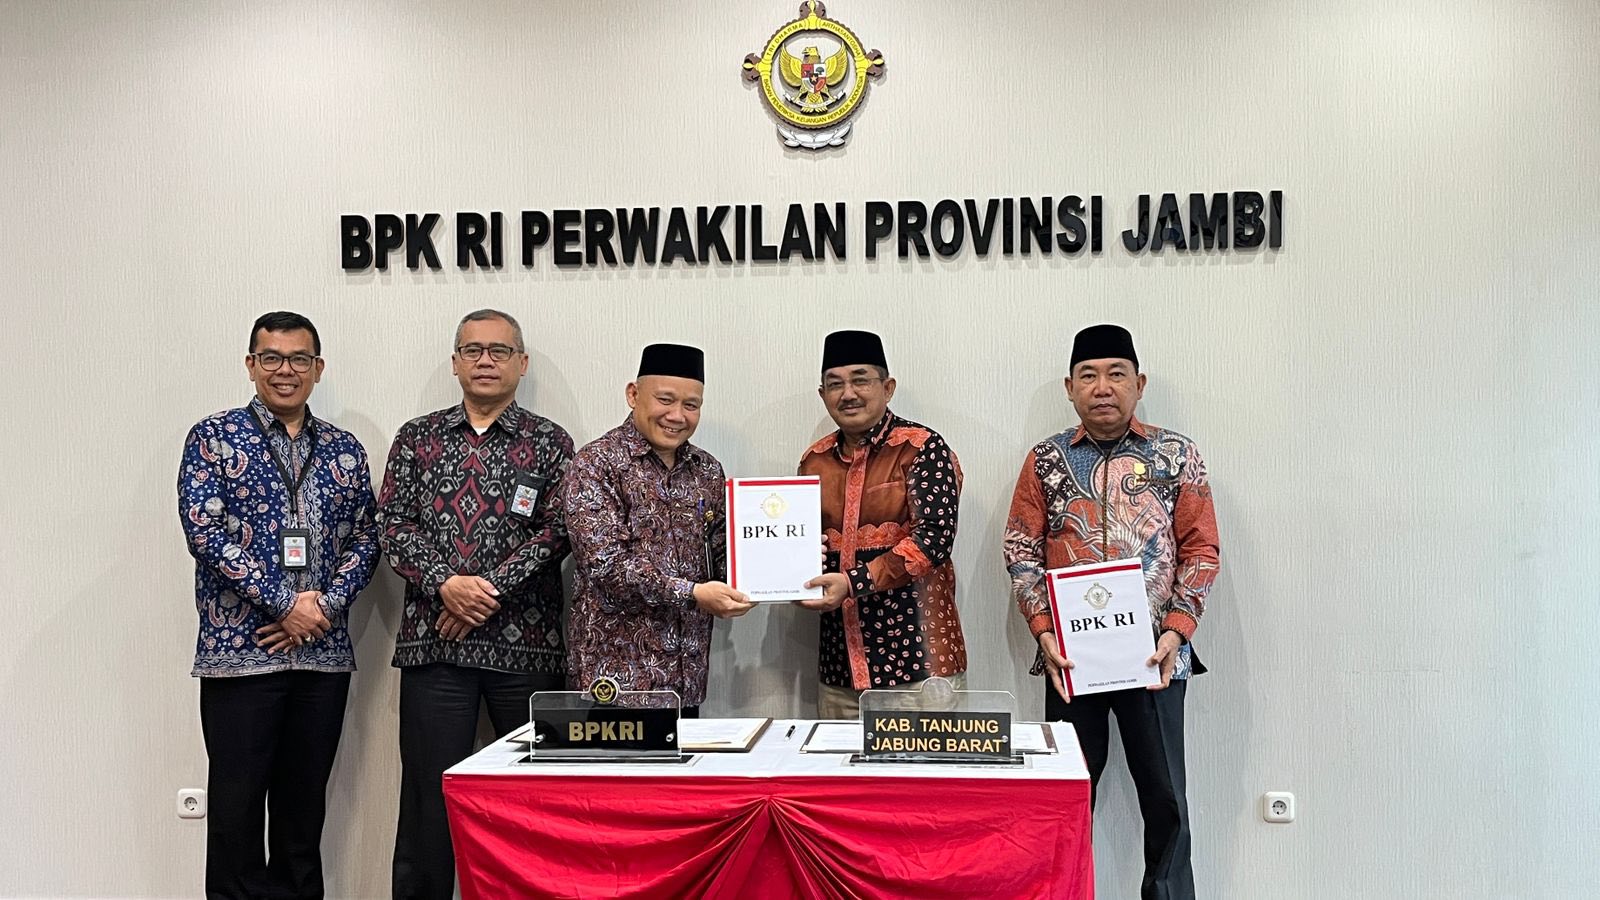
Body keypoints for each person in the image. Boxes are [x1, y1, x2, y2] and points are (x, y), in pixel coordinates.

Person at [1004, 323, 1221, 900]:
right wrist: (1043, 630)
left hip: (1156, 658)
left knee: (1166, 800)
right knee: (1067, 796)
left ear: (1139, 383)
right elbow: (1020, 548)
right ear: (1070, 388)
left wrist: (1177, 630)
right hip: (1071, 661)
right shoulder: (1046, 459)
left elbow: (1201, 549)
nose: (1103, 387)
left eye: (1116, 374)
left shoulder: (1176, 455)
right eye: (1089, 376)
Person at [178, 311, 379, 900]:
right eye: (271, 358)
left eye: (298, 359)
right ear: (251, 365)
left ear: (318, 368)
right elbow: (204, 533)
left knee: (302, 813)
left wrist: (322, 607)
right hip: (239, 657)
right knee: (236, 812)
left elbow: (368, 537)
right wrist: (283, 603)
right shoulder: (212, 438)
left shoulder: (344, 450)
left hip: (322, 657)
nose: (284, 371)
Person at [376, 309, 575, 900]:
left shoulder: (551, 442)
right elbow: (392, 524)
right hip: (435, 646)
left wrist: (485, 591)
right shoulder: (417, 438)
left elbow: (559, 530)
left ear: (522, 363)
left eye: (499, 350)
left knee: (534, 801)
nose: (485, 361)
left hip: (528, 648)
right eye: (472, 350)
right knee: (428, 798)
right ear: (456, 362)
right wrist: (446, 584)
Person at [562, 343, 751, 714]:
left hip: (686, 680)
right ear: (633, 394)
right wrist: (693, 593)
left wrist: (769, 572)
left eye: (691, 405)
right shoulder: (596, 464)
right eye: (665, 400)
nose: (677, 416)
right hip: (616, 683)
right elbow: (607, 566)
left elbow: (723, 551)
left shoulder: (707, 470)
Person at [796, 330, 968, 718]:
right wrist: (790, 578)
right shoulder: (813, 461)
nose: (848, 394)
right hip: (840, 669)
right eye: (835, 384)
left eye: (860, 380)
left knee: (925, 762)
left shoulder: (922, 447)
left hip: (920, 666)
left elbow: (933, 541)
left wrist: (851, 583)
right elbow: (801, 543)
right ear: (822, 394)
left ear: (887, 388)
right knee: (838, 761)